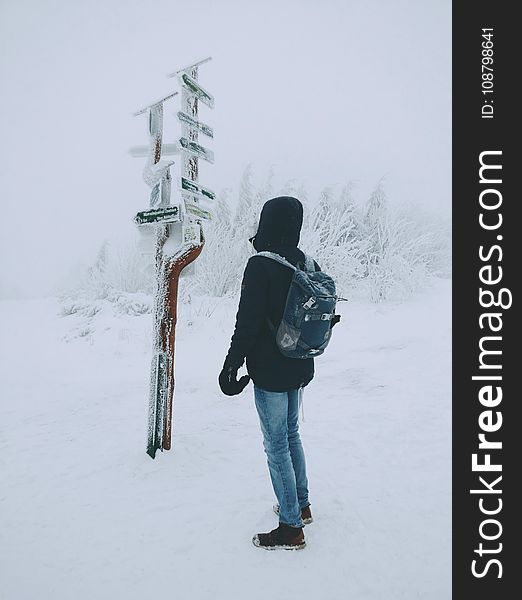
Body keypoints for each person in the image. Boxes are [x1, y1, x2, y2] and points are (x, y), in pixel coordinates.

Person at [218, 196, 321, 551]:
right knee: (291, 435)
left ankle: (291, 527)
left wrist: (231, 364)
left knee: (276, 443)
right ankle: (301, 505)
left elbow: (246, 324)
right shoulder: (306, 262)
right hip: (299, 363)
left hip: (271, 370)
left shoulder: (260, 265)